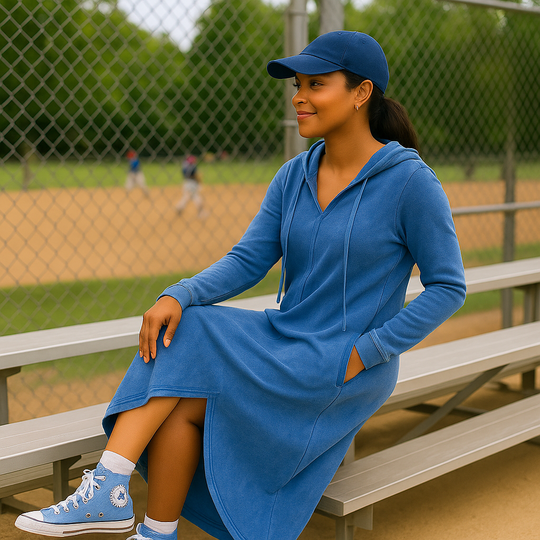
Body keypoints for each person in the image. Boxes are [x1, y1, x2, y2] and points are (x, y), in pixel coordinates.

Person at [15, 31, 466, 540]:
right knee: (183, 394)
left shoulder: (411, 182)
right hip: (287, 339)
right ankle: (151, 529)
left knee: (195, 331)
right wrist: (177, 292)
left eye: (316, 84)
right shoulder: (294, 175)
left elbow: (448, 286)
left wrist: (370, 349)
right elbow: (248, 260)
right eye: (298, 85)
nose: (299, 97)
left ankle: (108, 487)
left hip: (345, 361)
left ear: (361, 93)